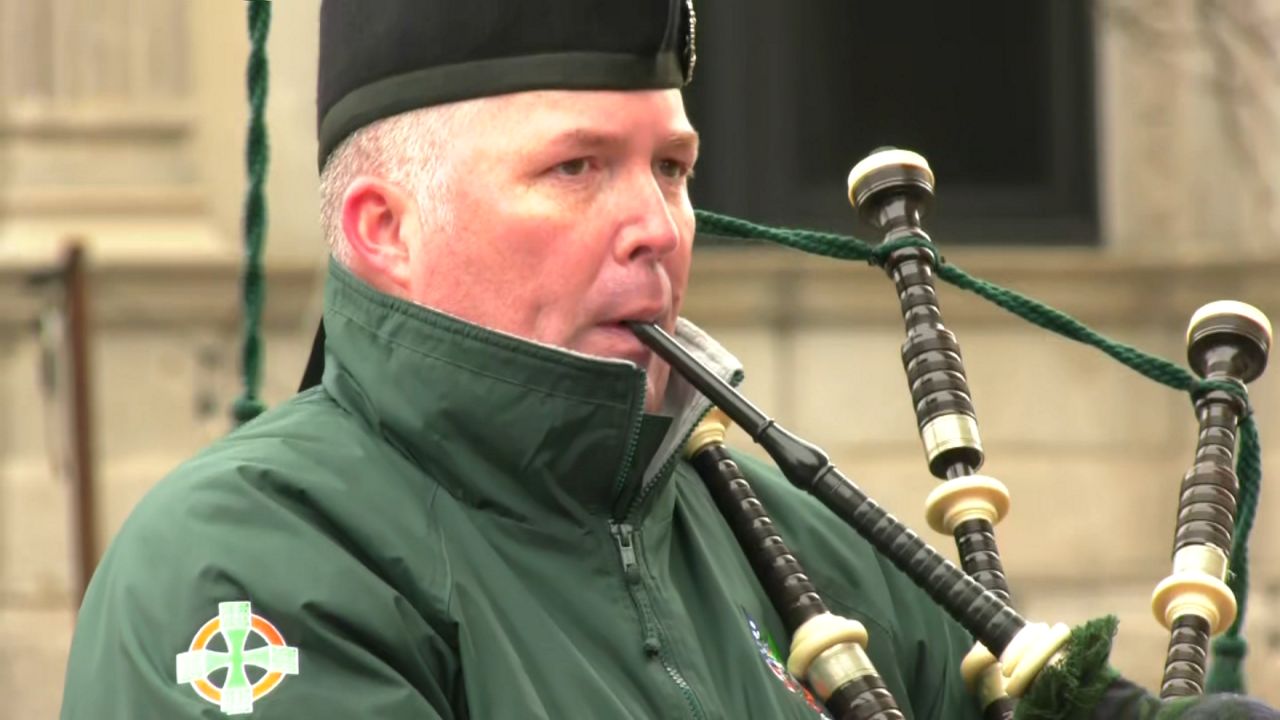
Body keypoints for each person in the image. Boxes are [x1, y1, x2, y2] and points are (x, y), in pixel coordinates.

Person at [58, 1, 997, 717]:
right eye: (576, 168)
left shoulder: (809, 545)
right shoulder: (243, 562)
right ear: (385, 229)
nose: (658, 229)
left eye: (671, 168)